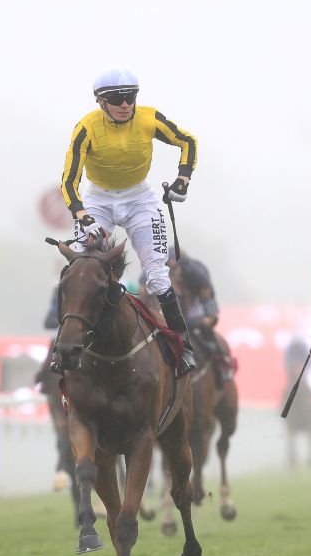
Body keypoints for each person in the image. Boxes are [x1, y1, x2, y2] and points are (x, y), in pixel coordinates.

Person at [59, 65, 198, 376]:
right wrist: (82, 215)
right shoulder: (87, 128)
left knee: (158, 276)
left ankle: (184, 348)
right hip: (99, 200)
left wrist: (182, 180)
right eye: (117, 98)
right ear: (101, 102)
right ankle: (65, 348)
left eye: (130, 97)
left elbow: (187, 141)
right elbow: (69, 180)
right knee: (81, 269)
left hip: (140, 199)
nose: (125, 104)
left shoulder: (149, 118)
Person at [172, 252, 235, 381]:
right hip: (176, 302)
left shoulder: (197, 275)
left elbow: (209, 308)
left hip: (197, 303)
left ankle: (222, 362)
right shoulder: (161, 269)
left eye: (174, 269)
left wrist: (208, 319)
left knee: (204, 329)